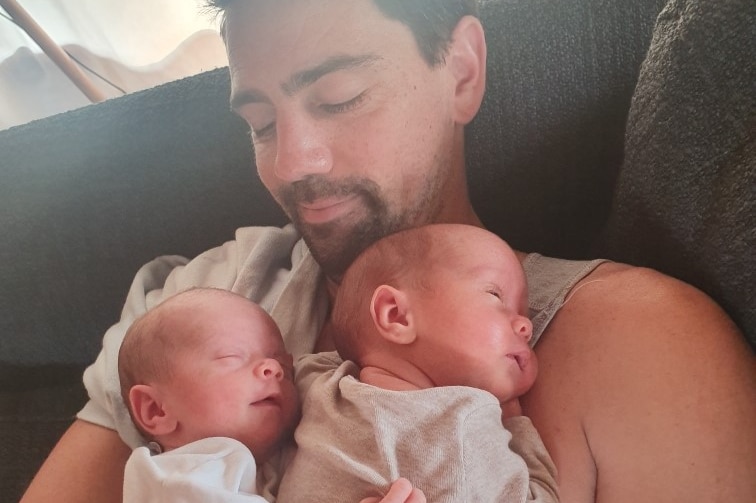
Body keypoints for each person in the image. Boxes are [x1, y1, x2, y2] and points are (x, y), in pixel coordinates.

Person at [20, 1, 756, 502]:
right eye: (260, 123)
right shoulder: (201, 297)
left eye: (338, 96)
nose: (291, 163)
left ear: (462, 71)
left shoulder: (638, 342)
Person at [277, 223, 559, 502]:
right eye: (495, 295)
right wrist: (514, 425)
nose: (526, 325)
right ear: (396, 315)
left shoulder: (316, 380)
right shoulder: (462, 425)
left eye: (523, 312)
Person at [118, 287, 424, 503]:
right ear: (156, 409)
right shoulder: (181, 479)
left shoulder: (268, 465)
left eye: (283, 367)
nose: (273, 370)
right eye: (230, 357)